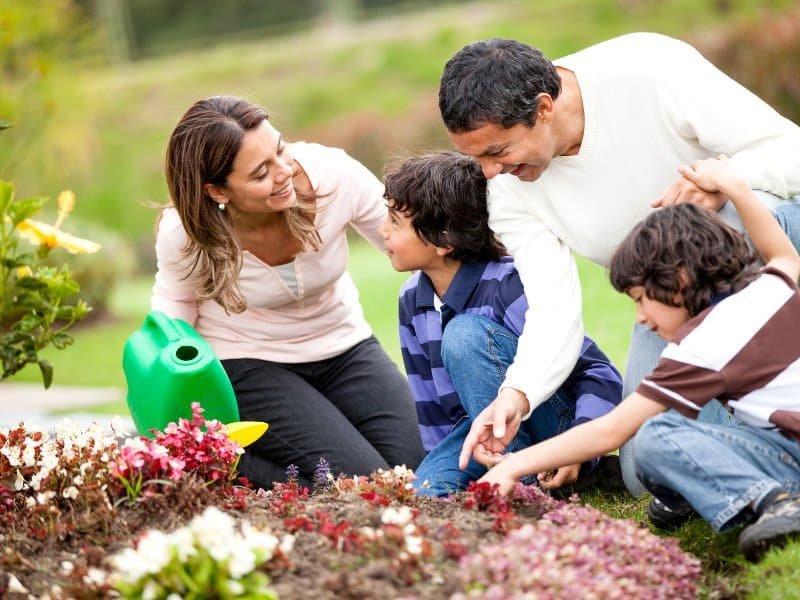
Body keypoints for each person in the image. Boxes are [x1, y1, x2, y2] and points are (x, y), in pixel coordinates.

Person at [439, 33, 800, 496]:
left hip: (768, 247)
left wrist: (727, 180)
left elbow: (790, 149)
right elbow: (553, 308)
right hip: (671, 305)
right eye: (476, 159)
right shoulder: (509, 191)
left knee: (727, 217)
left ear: (544, 108)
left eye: (497, 151)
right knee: (644, 474)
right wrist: (518, 393)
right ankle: (766, 459)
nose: (489, 172)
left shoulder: (647, 68)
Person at [473, 155, 800, 562]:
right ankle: (700, 491)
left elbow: (612, 431)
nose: (641, 317)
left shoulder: (703, 342)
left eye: (640, 299)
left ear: (678, 282)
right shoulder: (770, 285)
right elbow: (782, 253)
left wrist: (513, 465)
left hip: (791, 459)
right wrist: (734, 186)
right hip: (783, 441)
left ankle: (777, 505)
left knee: (656, 437)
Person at [151, 95, 424, 489]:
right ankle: (223, 462)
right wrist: (181, 390)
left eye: (281, 150)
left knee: (417, 472)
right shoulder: (186, 233)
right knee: (366, 484)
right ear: (217, 192)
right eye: (261, 173)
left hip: (344, 347)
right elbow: (173, 307)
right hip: (249, 362)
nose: (284, 172)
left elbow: (408, 240)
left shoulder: (332, 176)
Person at [380, 151, 622, 497]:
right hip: (478, 438)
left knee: (463, 335)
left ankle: (526, 488)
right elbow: (434, 410)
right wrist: (440, 463)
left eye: (395, 222)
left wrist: (580, 445)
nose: (382, 231)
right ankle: (507, 483)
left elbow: (600, 373)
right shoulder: (411, 300)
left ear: (444, 241)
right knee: (424, 495)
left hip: (554, 432)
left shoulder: (507, 286)